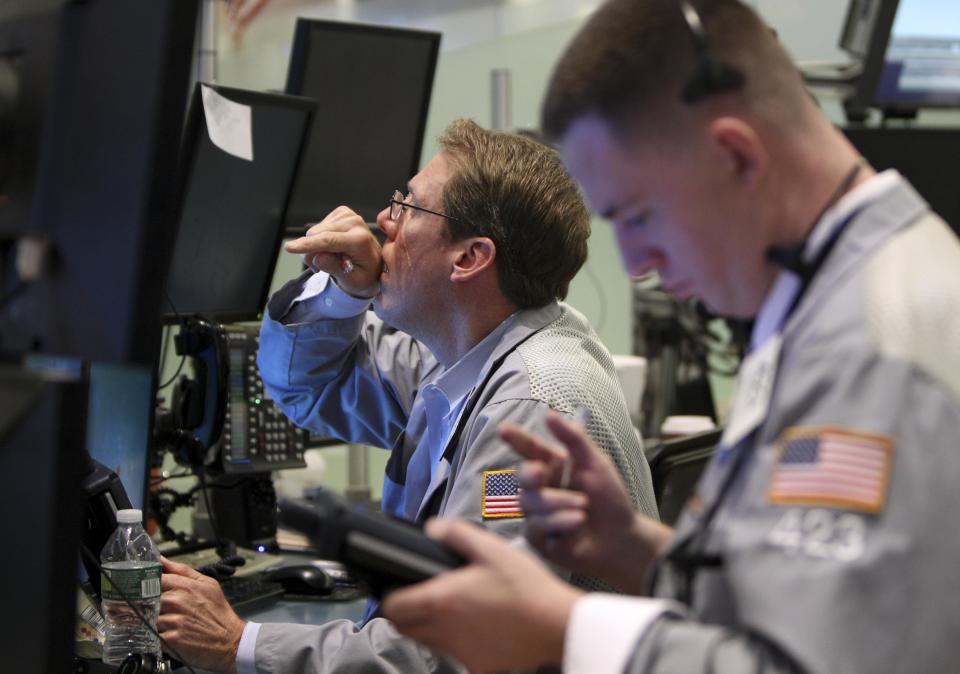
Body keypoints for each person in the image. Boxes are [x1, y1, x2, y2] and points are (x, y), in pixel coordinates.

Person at [380, 1, 960, 673]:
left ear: (735, 155)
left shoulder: (868, 346)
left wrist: (568, 631)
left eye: (639, 216)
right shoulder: (848, 293)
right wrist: (638, 554)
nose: (636, 264)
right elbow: (804, 597)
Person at [158, 118, 658, 673]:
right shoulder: (469, 352)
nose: (382, 222)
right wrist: (346, 292)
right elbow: (306, 385)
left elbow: (453, 650)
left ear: (469, 258)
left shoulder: (527, 410)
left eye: (409, 208)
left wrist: (240, 645)